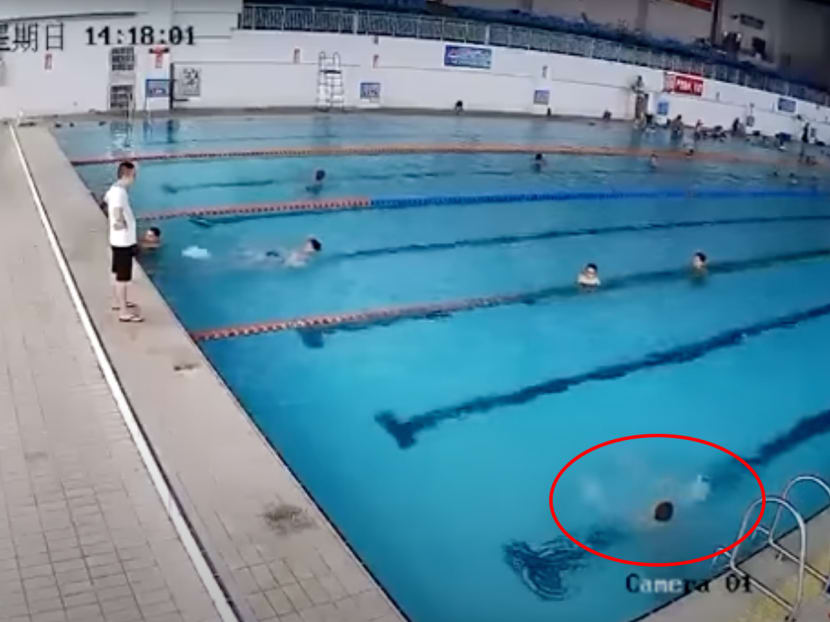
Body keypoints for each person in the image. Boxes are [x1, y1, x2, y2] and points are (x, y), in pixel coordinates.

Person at [106, 161, 142, 322]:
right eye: (134, 175)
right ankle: (123, 312)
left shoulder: (113, 189)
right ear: (127, 175)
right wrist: (122, 224)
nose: (135, 179)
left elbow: (105, 201)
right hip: (123, 242)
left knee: (116, 273)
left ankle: (117, 301)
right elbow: (116, 212)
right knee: (123, 277)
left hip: (116, 240)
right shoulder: (120, 192)